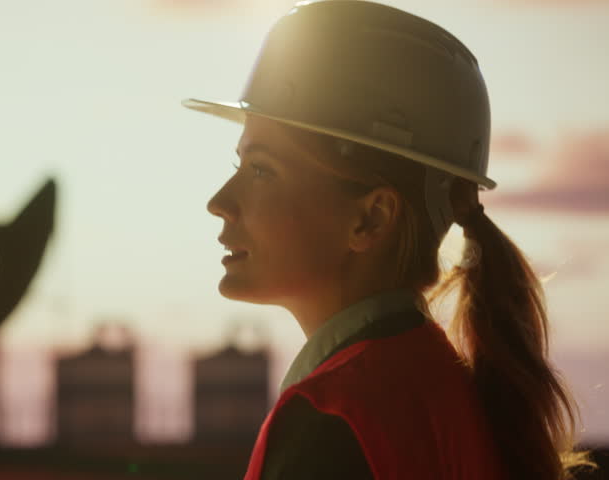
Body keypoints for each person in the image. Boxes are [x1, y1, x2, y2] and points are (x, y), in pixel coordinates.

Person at [182, 1, 596, 479]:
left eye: (261, 169)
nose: (220, 201)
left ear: (371, 218)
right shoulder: (449, 393)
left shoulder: (331, 421)